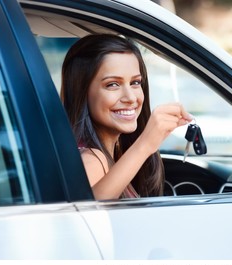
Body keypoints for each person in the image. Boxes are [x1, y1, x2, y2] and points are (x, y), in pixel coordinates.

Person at [60, 34, 193, 200]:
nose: (130, 97)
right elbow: (89, 215)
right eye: (113, 84)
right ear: (82, 91)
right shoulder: (92, 159)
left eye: (135, 83)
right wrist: (145, 144)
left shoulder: (112, 153)